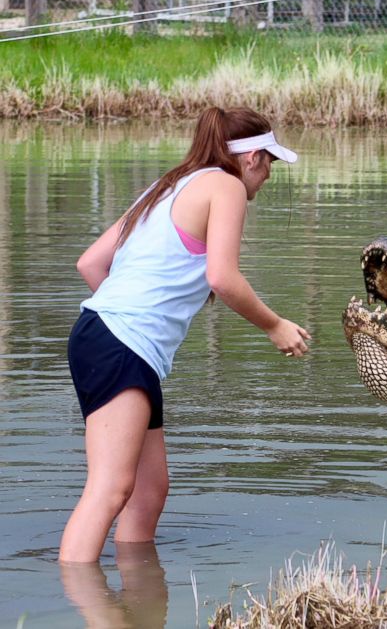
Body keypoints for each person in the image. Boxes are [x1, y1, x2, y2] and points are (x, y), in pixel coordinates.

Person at [59, 106, 311, 563]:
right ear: (252, 157)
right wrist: (275, 326)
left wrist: (131, 321)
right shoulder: (226, 185)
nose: (269, 175)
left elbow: (90, 264)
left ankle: (139, 593)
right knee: (110, 488)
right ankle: (83, 598)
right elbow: (222, 277)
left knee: (150, 489)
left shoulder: (167, 185)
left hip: (110, 338)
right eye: (270, 162)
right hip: (121, 343)